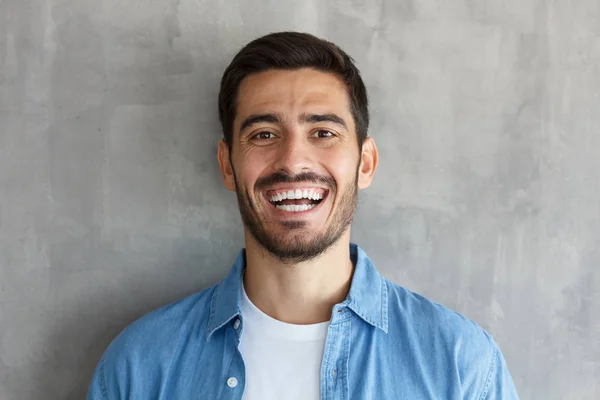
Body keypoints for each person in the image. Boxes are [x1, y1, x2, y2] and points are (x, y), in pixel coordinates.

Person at [86, 31, 519, 399]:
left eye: (323, 132)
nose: (293, 160)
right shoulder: (140, 366)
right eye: (264, 134)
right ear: (226, 165)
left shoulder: (461, 366)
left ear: (365, 163)